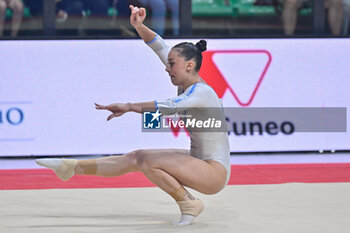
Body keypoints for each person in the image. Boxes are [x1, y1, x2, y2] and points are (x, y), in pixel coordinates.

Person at [35, 5, 230, 226]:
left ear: (189, 65)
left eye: (172, 64)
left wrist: (128, 106)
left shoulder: (201, 92)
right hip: (199, 160)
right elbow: (159, 45)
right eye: (168, 63)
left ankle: (189, 204)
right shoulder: (185, 76)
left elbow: (168, 107)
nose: (167, 68)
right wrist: (138, 25)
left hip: (214, 172)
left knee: (148, 161)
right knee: (136, 156)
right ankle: (70, 167)